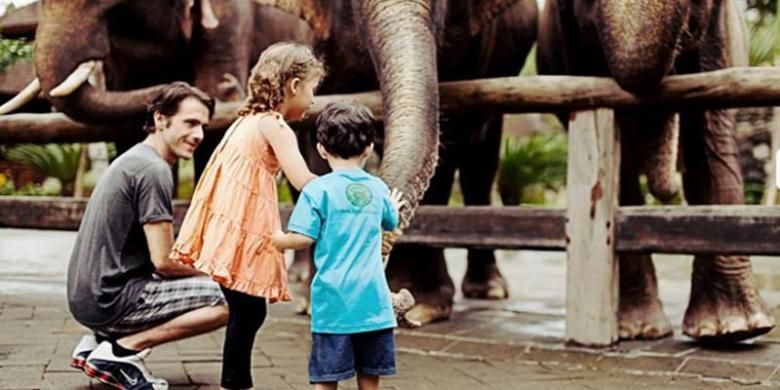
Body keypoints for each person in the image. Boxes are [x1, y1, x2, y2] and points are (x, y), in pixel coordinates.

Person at [171, 42, 326, 390]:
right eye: (313, 88)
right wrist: (346, 184)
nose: (314, 99)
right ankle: (236, 383)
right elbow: (304, 181)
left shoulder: (246, 121)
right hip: (246, 230)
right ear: (294, 86)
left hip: (228, 228)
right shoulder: (275, 126)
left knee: (245, 311)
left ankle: (236, 381)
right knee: (249, 312)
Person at [66, 81, 229, 390]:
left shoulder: (136, 158)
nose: (199, 135)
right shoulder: (153, 169)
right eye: (190, 123)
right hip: (110, 300)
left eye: (204, 126)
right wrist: (217, 269)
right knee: (229, 298)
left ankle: (99, 343)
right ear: (160, 119)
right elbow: (164, 262)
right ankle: (122, 350)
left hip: (87, 297)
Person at [272, 101, 406, 390]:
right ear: (369, 148)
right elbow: (391, 221)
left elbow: (303, 238)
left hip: (334, 305)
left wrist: (278, 239)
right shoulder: (378, 188)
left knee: (327, 377)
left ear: (321, 149)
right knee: (370, 376)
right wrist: (391, 205)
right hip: (374, 305)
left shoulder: (317, 191)